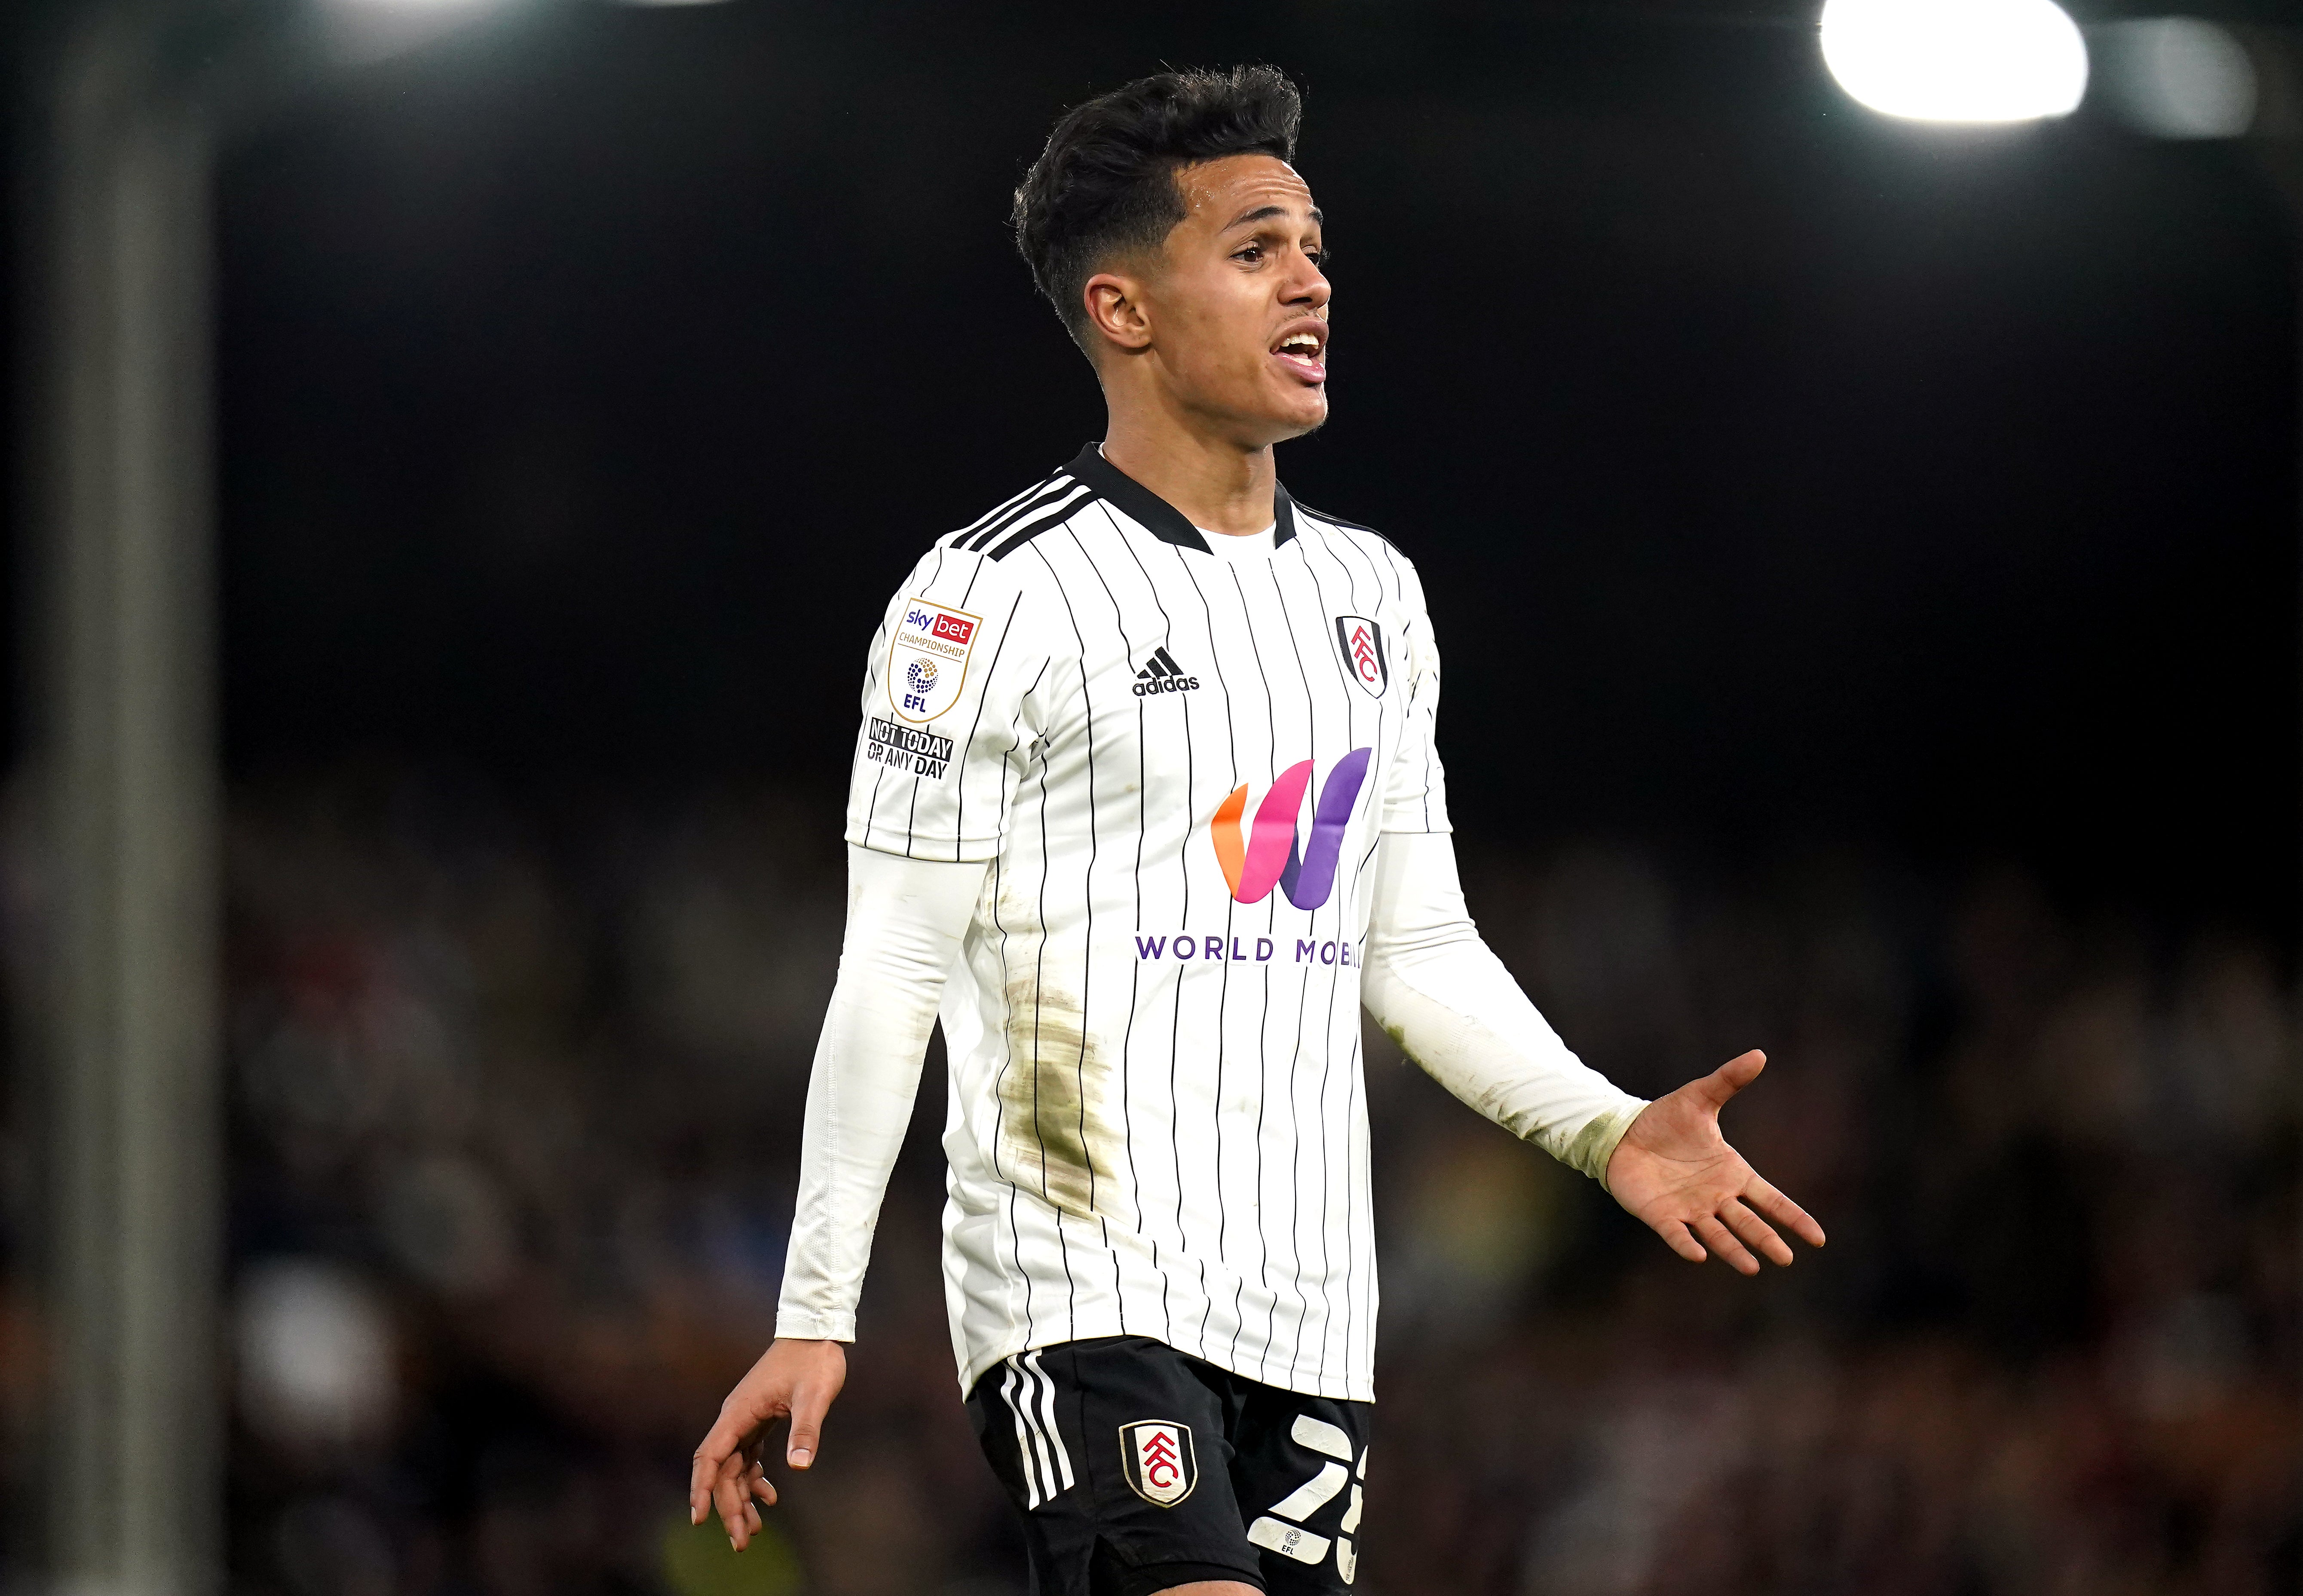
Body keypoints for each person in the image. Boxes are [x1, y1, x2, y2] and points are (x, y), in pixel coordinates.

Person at [690, 64, 1824, 1596]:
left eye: (1314, 249)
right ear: (1125, 309)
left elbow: (1414, 944)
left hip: (1310, 1305)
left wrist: (1605, 1125)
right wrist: (814, 1307)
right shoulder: (986, 598)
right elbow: (893, 969)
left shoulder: (1374, 597)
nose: (1311, 282)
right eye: (1255, 248)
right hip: (1080, 1284)